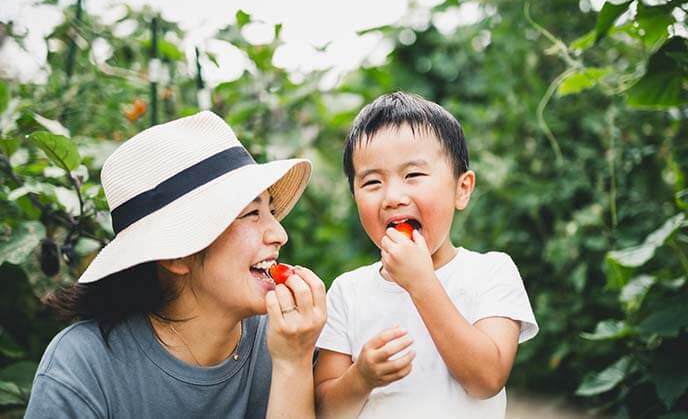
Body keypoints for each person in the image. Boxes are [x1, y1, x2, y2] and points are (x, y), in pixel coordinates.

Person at [25, 111, 326, 418]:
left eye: (271, 211)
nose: (279, 234)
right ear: (177, 254)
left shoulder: (290, 340)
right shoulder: (83, 367)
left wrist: (293, 363)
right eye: (251, 213)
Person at [314, 92, 538, 418]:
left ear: (462, 189)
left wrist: (422, 283)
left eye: (413, 175)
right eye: (372, 181)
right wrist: (360, 378)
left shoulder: (491, 272)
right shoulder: (347, 292)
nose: (393, 196)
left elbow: (487, 379)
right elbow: (324, 410)